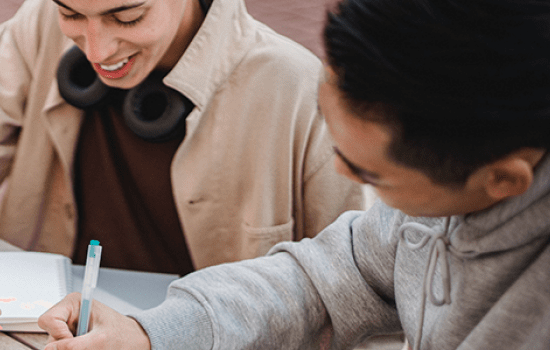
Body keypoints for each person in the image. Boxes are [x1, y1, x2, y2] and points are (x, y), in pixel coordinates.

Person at [0, 0, 365, 347]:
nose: (96, 51)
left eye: (127, 17)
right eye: (71, 13)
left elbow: (352, 286)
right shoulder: (37, 27)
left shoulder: (296, 87)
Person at [37, 0, 550, 348]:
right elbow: (320, 278)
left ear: (501, 183)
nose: (339, 168)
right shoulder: (434, 193)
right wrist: (149, 334)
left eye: (371, 173)